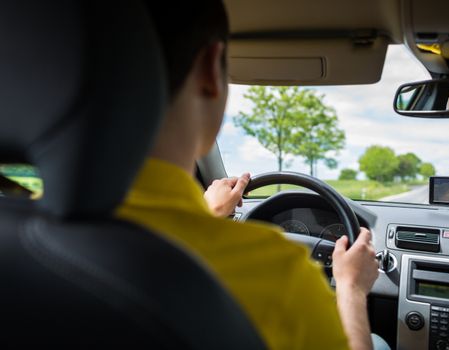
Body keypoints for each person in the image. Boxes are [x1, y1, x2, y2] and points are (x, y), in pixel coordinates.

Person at [117, 1, 384, 349]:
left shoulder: (25, 228)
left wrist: (207, 214)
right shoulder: (276, 272)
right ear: (211, 71)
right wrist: (351, 286)